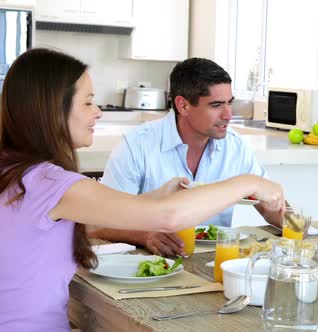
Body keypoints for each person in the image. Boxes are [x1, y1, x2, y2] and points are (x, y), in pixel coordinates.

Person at [0, 48, 284, 331]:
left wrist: (157, 196)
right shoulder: (51, 184)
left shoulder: (18, 174)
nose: (98, 112)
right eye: (88, 102)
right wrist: (249, 182)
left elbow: (96, 219)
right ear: (52, 109)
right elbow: (168, 217)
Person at [90, 57, 285, 257]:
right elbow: (99, 223)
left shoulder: (235, 147)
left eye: (230, 103)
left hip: (214, 262)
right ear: (183, 106)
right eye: (216, 105)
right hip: (152, 266)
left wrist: (287, 218)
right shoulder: (136, 146)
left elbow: (271, 207)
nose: (228, 114)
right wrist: (145, 235)